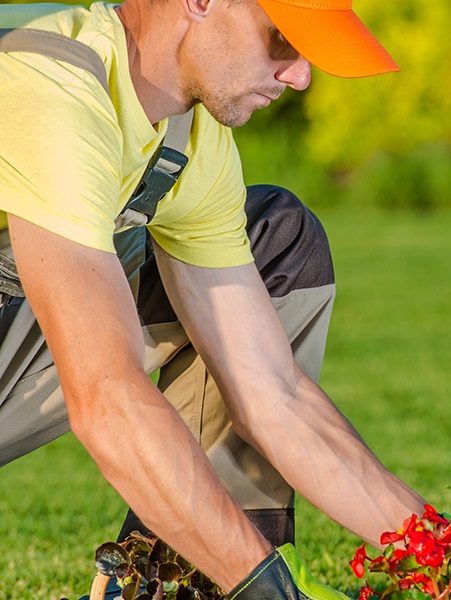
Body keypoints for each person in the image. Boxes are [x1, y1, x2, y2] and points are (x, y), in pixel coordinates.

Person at [0, 0, 426, 597]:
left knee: (274, 240)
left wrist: (449, 556)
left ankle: (183, 583)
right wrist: (265, 589)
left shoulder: (191, 141)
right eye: (282, 37)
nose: (301, 75)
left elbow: (272, 393)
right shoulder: (49, 81)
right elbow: (107, 397)